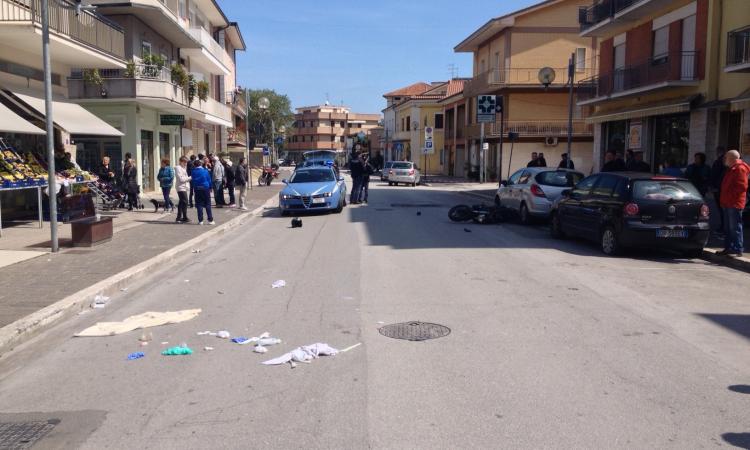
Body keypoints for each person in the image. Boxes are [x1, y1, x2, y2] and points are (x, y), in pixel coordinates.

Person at [718, 150, 749, 257]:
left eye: (726, 157)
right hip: (728, 202)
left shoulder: (739, 168)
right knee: (728, 227)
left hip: (734, 203)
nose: (724, 159)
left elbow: (742, 187)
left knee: (734, 227)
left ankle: (737, 248)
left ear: (731, 158)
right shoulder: (732, 169)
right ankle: (729, 247)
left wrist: (730, 198)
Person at [191, 159, 215, 225]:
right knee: (207, 204)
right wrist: (211, 187)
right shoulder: (205, 171)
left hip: (197, 189)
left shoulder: (193, 172)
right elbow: (209, 180)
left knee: (199, 205)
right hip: (205, 188)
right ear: (201, 164)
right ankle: (210, 220)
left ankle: (200, 220)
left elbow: (192, 180)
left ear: (194, 165)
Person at [710, 146, 727, 233]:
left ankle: (723, 228)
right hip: (722, 189)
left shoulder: (719, 162)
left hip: (719, 189)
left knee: (722, 210)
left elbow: (714, 175)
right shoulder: (725, 163)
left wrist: (714, 187)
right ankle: (724, 227)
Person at [175, 156, 191, 223]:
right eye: (184, 162)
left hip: (184, 187)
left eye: (186, 162)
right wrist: (190, 178)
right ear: (181, 162)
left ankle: (181, 217)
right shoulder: (178, 168)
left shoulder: (184, 168)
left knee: (182, 202)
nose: (186, 163)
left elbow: (185, 177)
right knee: (185, 201)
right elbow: (181, 179)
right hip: (180, 187)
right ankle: (182, 217)